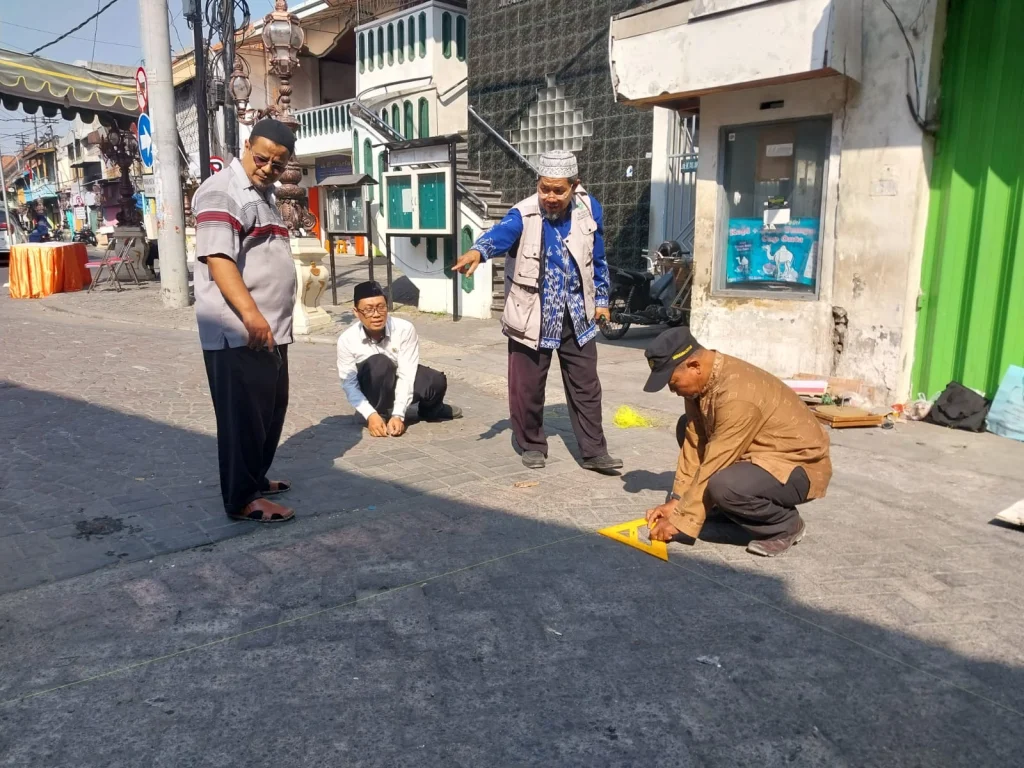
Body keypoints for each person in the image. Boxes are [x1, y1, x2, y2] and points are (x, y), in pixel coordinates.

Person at [452, 150, 622, 472]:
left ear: (575, 186)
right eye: (545, 188)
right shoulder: (524, 213)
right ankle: (530, 443)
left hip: (577, 315)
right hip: (532, 316)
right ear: (538, 184)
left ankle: (593, 451)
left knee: (587, 387)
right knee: (527, 387)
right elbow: (501, 233)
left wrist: (601, 300)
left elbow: (597, 259)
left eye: (559, 190)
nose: (550, 197)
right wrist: (479, 250)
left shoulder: (589, 210)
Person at [642, 327, 833, 557]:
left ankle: (786, 525)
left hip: (798, 465)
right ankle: (728, 509)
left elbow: (717, 460)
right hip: (755, 453)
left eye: (673, 382)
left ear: (694, 366)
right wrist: (677, 501)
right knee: (686, 426)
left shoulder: (737, 395)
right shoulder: (701, 383)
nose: (672, 390)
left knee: (724, 485)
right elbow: (695, 443)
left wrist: (681, 522)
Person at [192, 119, 299, 523]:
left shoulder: (264, 194)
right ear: (246, 145)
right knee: (242, 416)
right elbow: (219, 259)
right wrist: (252, 316)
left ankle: (255, 479)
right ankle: (241, 499)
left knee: (268, 410)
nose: (268, 168)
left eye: (278, 163)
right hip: (238, 330)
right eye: (262, 158)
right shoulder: (222, 191)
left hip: (268, 328)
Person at [337, 280, 461, 436]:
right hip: (372, 385)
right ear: (356, 312)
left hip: (397, 376)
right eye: (368, 310)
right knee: (379, 362)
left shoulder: (404, 329)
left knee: (435, 380)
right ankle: (378, 413)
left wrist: (398, 415)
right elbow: (349, 383)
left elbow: (407, 373)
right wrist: (370, 414)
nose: (376, 315)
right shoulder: (347, 339)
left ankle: (431, 410)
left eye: (381, 307)